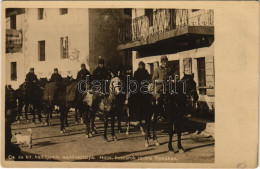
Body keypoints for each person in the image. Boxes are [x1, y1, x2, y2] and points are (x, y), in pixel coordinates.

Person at [133, 61, 151, 134]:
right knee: (137, 101)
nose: (141, 67)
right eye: (140, 66)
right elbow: (134, 80)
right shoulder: (136, 72)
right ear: (139, 66)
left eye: (142, 66)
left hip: (145, 89)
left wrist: (145, 82)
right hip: (139, 90)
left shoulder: (146, 72)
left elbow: (149, 78)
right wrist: (139, 83)